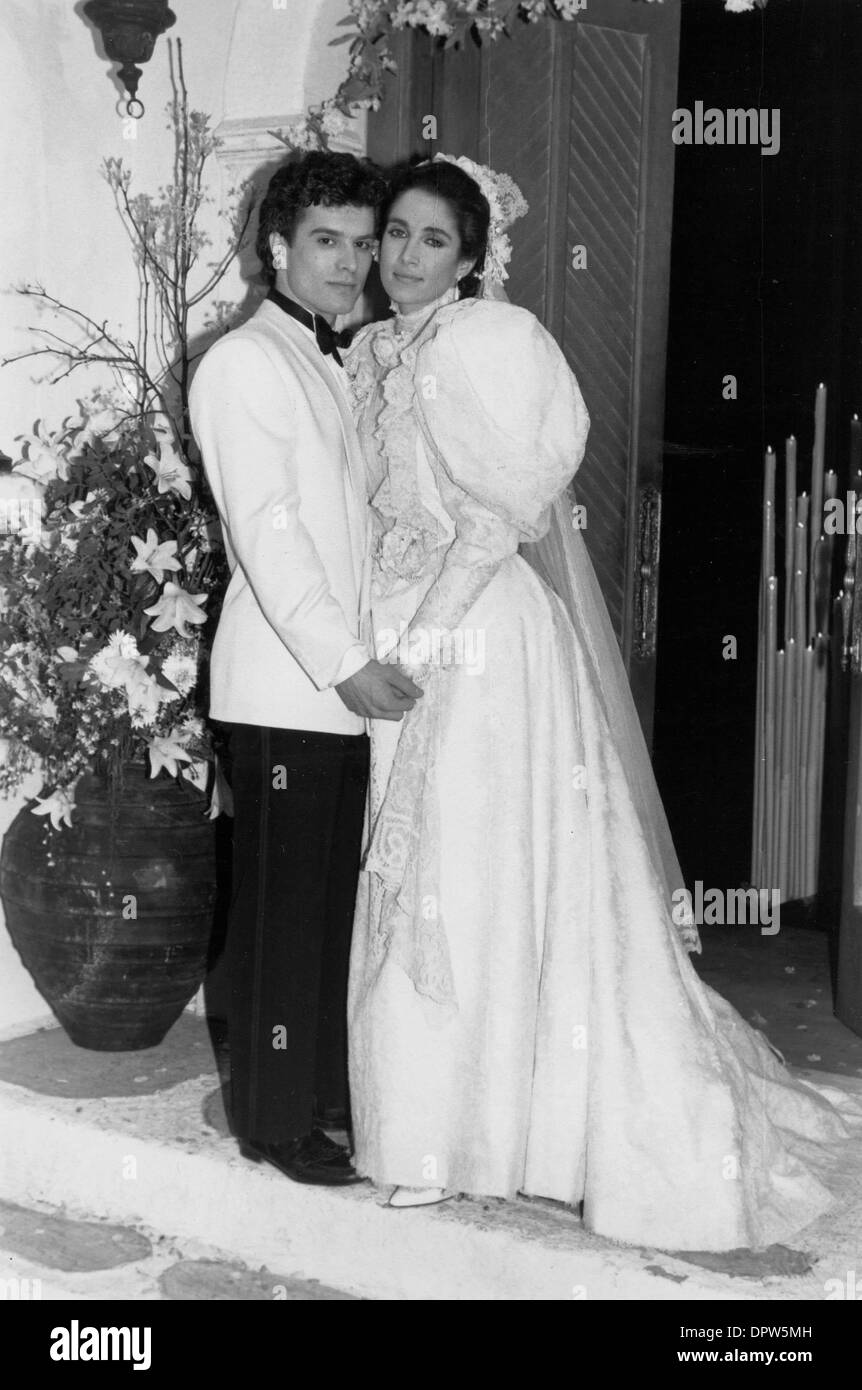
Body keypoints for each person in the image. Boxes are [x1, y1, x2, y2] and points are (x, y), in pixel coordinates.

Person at [344, 153, 862, 1248]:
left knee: (475, 882)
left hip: (477, 640)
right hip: (400, 633)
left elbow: (502, 513)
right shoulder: (379, 348)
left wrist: (424, 641)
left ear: (474, 258)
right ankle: (438, 1129)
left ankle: (480, 1139)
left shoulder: (494, 341)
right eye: (394, 231)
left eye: (432, 239)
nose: (403, 255)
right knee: (422, 886)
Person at [190, 151, 422, 1187]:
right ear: (276, 247)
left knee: (325, 909)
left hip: (332, 689)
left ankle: (318, 1096)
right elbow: (271, 535)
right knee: (283, 916)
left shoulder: (329, 360)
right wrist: (345, 664)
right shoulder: (244, 364)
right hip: (288, 686)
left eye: (364, 244)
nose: (351, 264)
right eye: (326, 241)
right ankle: (274, 1122)